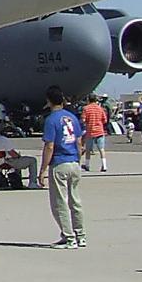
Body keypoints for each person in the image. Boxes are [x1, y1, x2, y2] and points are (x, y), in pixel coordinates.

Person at [39, 87, 85, 248]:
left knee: (60, 203)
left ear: (49, 101)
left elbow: (49, 146)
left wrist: (43, 169)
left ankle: (69, 236)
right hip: (73, 161)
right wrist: (78, 160)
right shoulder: (72, 117)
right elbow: (79, 142)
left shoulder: (51, 120)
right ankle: (80, 234)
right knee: (75, 201)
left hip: (60, 162)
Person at [79, 96, 108, 172]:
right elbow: (105, 120)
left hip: (90, 131)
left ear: (88, 100)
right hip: (99, 131)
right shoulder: (100, 108)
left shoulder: (86, 108)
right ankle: (104, 165)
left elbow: (83, 119)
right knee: (101, 149)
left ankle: (87, 165)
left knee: (88, 149)